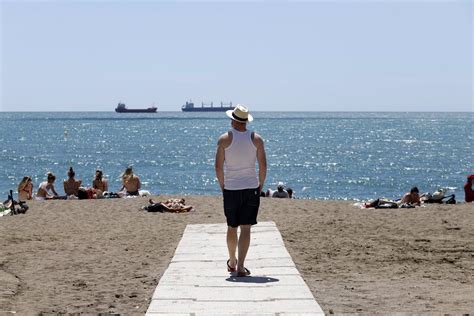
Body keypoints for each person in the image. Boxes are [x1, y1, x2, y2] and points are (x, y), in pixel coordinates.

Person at [215, 104, 267, 277]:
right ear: (245, 121)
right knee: (246, 228)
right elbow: (263, 166)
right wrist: (260, 185)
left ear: (233, 121)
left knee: (231, 226)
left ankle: (231, 261)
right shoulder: (256, 139)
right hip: (251, 187)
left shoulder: (224, 139)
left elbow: (218, 167)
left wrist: (223, 185)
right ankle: (241, 267)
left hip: (231, 187)